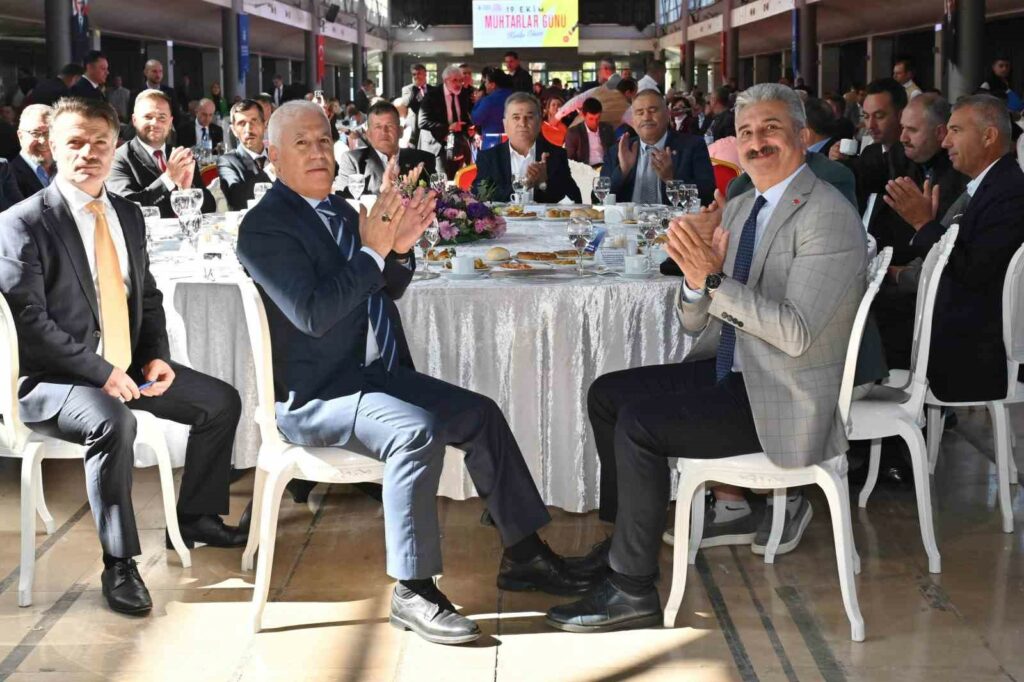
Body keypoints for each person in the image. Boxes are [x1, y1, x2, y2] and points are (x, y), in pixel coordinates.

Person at [236, 100, 595, 645]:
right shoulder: (264, 228)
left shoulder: (338, 209)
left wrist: (398, 252)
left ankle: (524, 555)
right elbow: (313, 314)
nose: (317, 152)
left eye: (323, 140)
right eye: (301, 143)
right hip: (315, 396)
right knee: (415, 431)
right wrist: (372, 253)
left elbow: (388, 288)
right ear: (273, 156)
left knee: (480, 414)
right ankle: (413, 589)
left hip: (369, 376)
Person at [549, 84, 867, 632]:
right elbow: (698, 321)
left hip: (783, 393)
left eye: (770, 128)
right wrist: (698, 285)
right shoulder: (742, 205)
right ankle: (623, 545)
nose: (756, 142)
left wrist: (714, 281)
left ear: (803, 136)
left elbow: (796, 334)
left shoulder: (826, 215)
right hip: (735, 369)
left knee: (641, 425)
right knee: (607, 395)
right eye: (746, 132)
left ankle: (631, 589)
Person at [0, 98, 247, 617]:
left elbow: (147, 297)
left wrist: (156, 355)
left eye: (100, 143)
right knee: (113, 422)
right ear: (52, 147)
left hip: (124, 366)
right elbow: (30, 325)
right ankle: (120, 563)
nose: (88, 153)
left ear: (115, 147)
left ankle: (197, 518)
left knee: (220, 402)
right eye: (75, 142)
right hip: (53, 380)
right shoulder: (23, 222)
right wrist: (102, 372)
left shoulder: (128, 214)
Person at [881, 94, 1024, 402]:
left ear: (988, 136)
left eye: (956, 130)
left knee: (864, 328)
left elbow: (971, 272)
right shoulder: (990, 185)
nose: (945, 142)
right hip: (957, 324)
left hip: (972, 347)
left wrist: (924, 224)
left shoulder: (1009, 192)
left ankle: (877, 426)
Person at [108, 89, 216, 218]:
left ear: (170, 123)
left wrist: (187, 190)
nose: (155, 123)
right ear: (134, 120)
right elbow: (126, 207)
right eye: (148, 117)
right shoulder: (119, 158)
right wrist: (168, 180)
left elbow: (210, 208)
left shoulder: (180, 156)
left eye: (162, 117)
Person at [599, 89, 716, 206]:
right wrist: (622, 171)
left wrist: (671, 179)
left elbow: (707, 197)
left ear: (667, 115)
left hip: (674, 217)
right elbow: (598, 199)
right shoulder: (618, 151)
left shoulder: (693, 146)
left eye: (653, 110)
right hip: (627, 217)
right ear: (633, 121)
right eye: (640, 113)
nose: (646, 117)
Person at [471, 92, 581, 204]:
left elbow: (576, 199)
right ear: (505, 124)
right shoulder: (489, 157)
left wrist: (543, 183)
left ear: (539, 123)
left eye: (529, 117)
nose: (522, 123)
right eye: (516, 117)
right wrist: (523, 186)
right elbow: (479, 194)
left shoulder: (556, 155)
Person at [337, 101, 437, 196]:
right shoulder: (353, 161)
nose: (384, 131)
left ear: (401, 131)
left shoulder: (423, 160)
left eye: (390, 126)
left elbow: (436, 198)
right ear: (368, 134)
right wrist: (384, 193)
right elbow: (344, 200)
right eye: (378, 127)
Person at [216, 99, 273, 210]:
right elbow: (236, 199)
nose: (248, 129)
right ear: (233, 130)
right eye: (242, 123)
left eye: (254, 121)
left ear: (265, 125)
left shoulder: (279, 157)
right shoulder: (228, 161)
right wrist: (270, 171)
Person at [417, 65, 473, 177]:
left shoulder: (463, 93)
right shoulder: (432, 95)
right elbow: (422, 122)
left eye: (461, 80)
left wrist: (470, 129)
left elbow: (465, 117)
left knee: (457, 178)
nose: (459, 84)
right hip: (437, 144)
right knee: (441, 180)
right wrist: (448, 127)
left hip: (457, 144)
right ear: (445, 80)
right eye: (455, 80)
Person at [11, 104, 56, 199]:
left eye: (49, 133)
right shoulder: (8, 177)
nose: (43, 141)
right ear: (20, 136)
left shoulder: (66, 169)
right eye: (35, 133)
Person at [471, 69, 514, 150]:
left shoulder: (488, 100)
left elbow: (476, 119)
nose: (485, 85)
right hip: (514, 141)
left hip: (493, 142)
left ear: (493, 85)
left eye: (486, 82)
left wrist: (478, 101)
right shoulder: (515, 97)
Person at [565, 98, 615, 167]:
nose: (595, 122)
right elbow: (570, 161)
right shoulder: (574, 133)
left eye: (597, 118)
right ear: (583, 115)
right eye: (591, 119)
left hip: (606, 166)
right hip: (586, 169)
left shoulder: (607, 128)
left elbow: (613, 151)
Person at [400, 63, 430, 148]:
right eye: (414, 74)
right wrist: (415, 88)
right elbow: (406, 103)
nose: (416, 76)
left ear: (425, 74)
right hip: (414, 129)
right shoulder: (407, 89)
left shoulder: (433, 90)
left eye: (419, 74)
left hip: (428, 127)